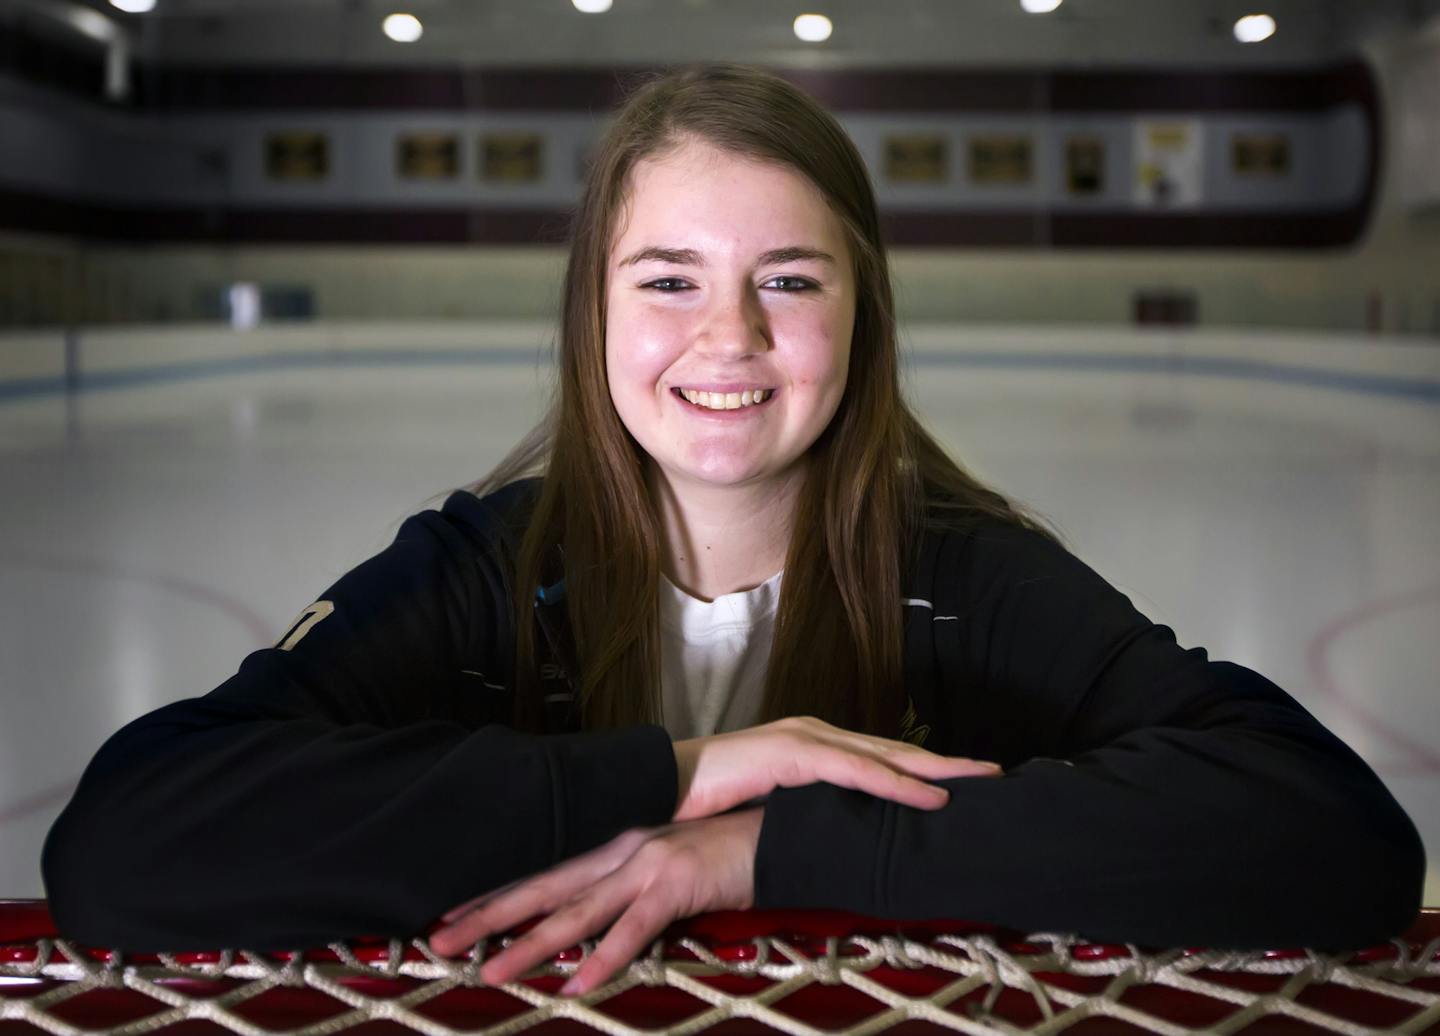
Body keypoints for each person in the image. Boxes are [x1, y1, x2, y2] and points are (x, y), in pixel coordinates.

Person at [42, 63, 1423, 998]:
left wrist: (764, 847)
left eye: (787, 278)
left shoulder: (960, 574)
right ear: (595, 312)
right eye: (668, 278)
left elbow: (1331, 839)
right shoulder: (479, 574)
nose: (731, 337)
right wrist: (678, 775)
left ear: (860, 315)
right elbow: (128, 845)